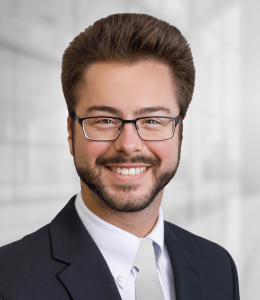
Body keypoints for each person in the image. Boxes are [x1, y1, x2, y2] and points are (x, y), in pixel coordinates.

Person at [0, 13, 240, 300]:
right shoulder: (9, 280)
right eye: (103, 120)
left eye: (152, 120)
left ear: (180, 132)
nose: (128, 145)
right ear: (70, 132)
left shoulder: (217, 266)